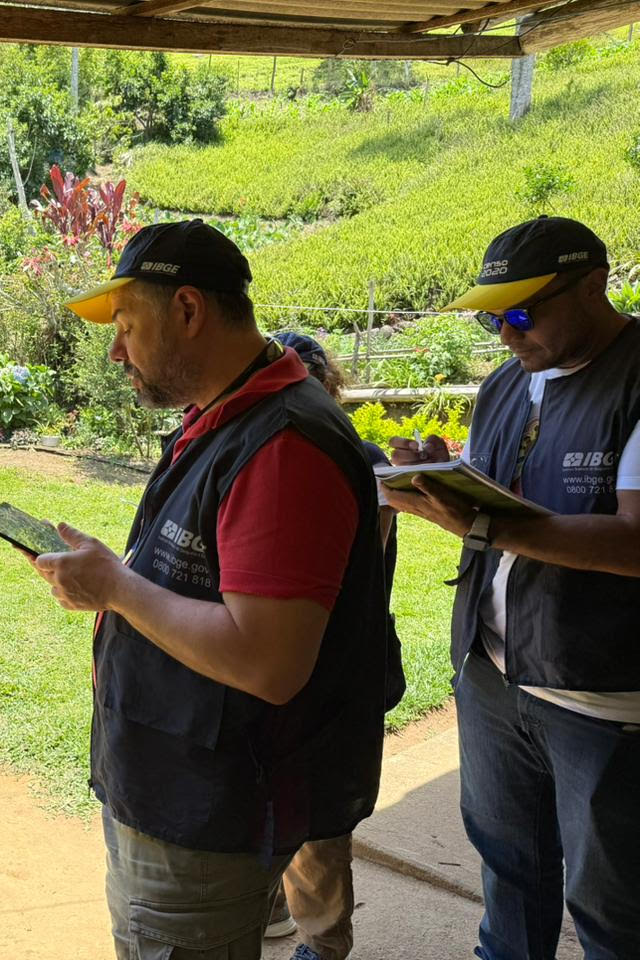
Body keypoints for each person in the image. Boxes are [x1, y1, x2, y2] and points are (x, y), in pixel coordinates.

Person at [32, 220, 388, 960]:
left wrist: (116, 587)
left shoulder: (283, 445)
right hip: (178, 787)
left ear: (188, 310)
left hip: (210, 810)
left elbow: (267, 661)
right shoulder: (231, 416)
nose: (116, 350)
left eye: (127, 325)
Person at [382, 215, 640, 960]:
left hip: (600, 699)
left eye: (522, 314)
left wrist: (485, 524)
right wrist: (440, 483)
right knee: (508, 877)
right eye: (492, 317)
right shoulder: (505, 384)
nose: (504, 334)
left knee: (613, 911)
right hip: (493, 674)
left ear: (593, 286)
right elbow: (505, 504)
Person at [267, 332, 406, 960]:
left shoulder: (356, 456)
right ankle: (274, 910)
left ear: (327, 387)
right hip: (276, 658)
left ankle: (321, 944)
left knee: (317, 816)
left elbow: (353, 561)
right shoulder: (269, 448)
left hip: (337, 666)